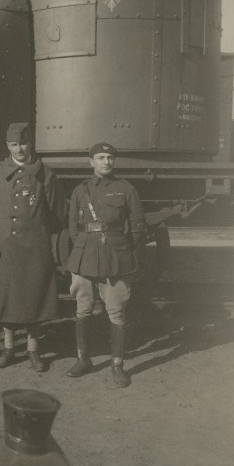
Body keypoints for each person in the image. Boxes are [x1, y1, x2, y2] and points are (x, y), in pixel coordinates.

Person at [0, 122, 65, 372]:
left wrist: (39, 236)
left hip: (35, 247)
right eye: (14, 144)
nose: (19, 149)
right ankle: (9, 348)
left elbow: (57, 213)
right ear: (8, 146)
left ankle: (33, 351)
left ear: (32, 144)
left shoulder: (46, 174)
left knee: (34, 299)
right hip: (5, 248)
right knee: (6, 298)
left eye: (24, 143)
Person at [65, 142, 146, 388]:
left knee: (116, 311)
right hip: (85, 256)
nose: (106, 162)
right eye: (100, 157)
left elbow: (137, 227)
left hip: (116, 256)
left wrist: (122, 251)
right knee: (83, 308)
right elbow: (72, 228)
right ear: (91, 162)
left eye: (110, 157)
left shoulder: (125, 189)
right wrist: (86, 246)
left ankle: (117, 365)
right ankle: (83, 360)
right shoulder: (81, 190)